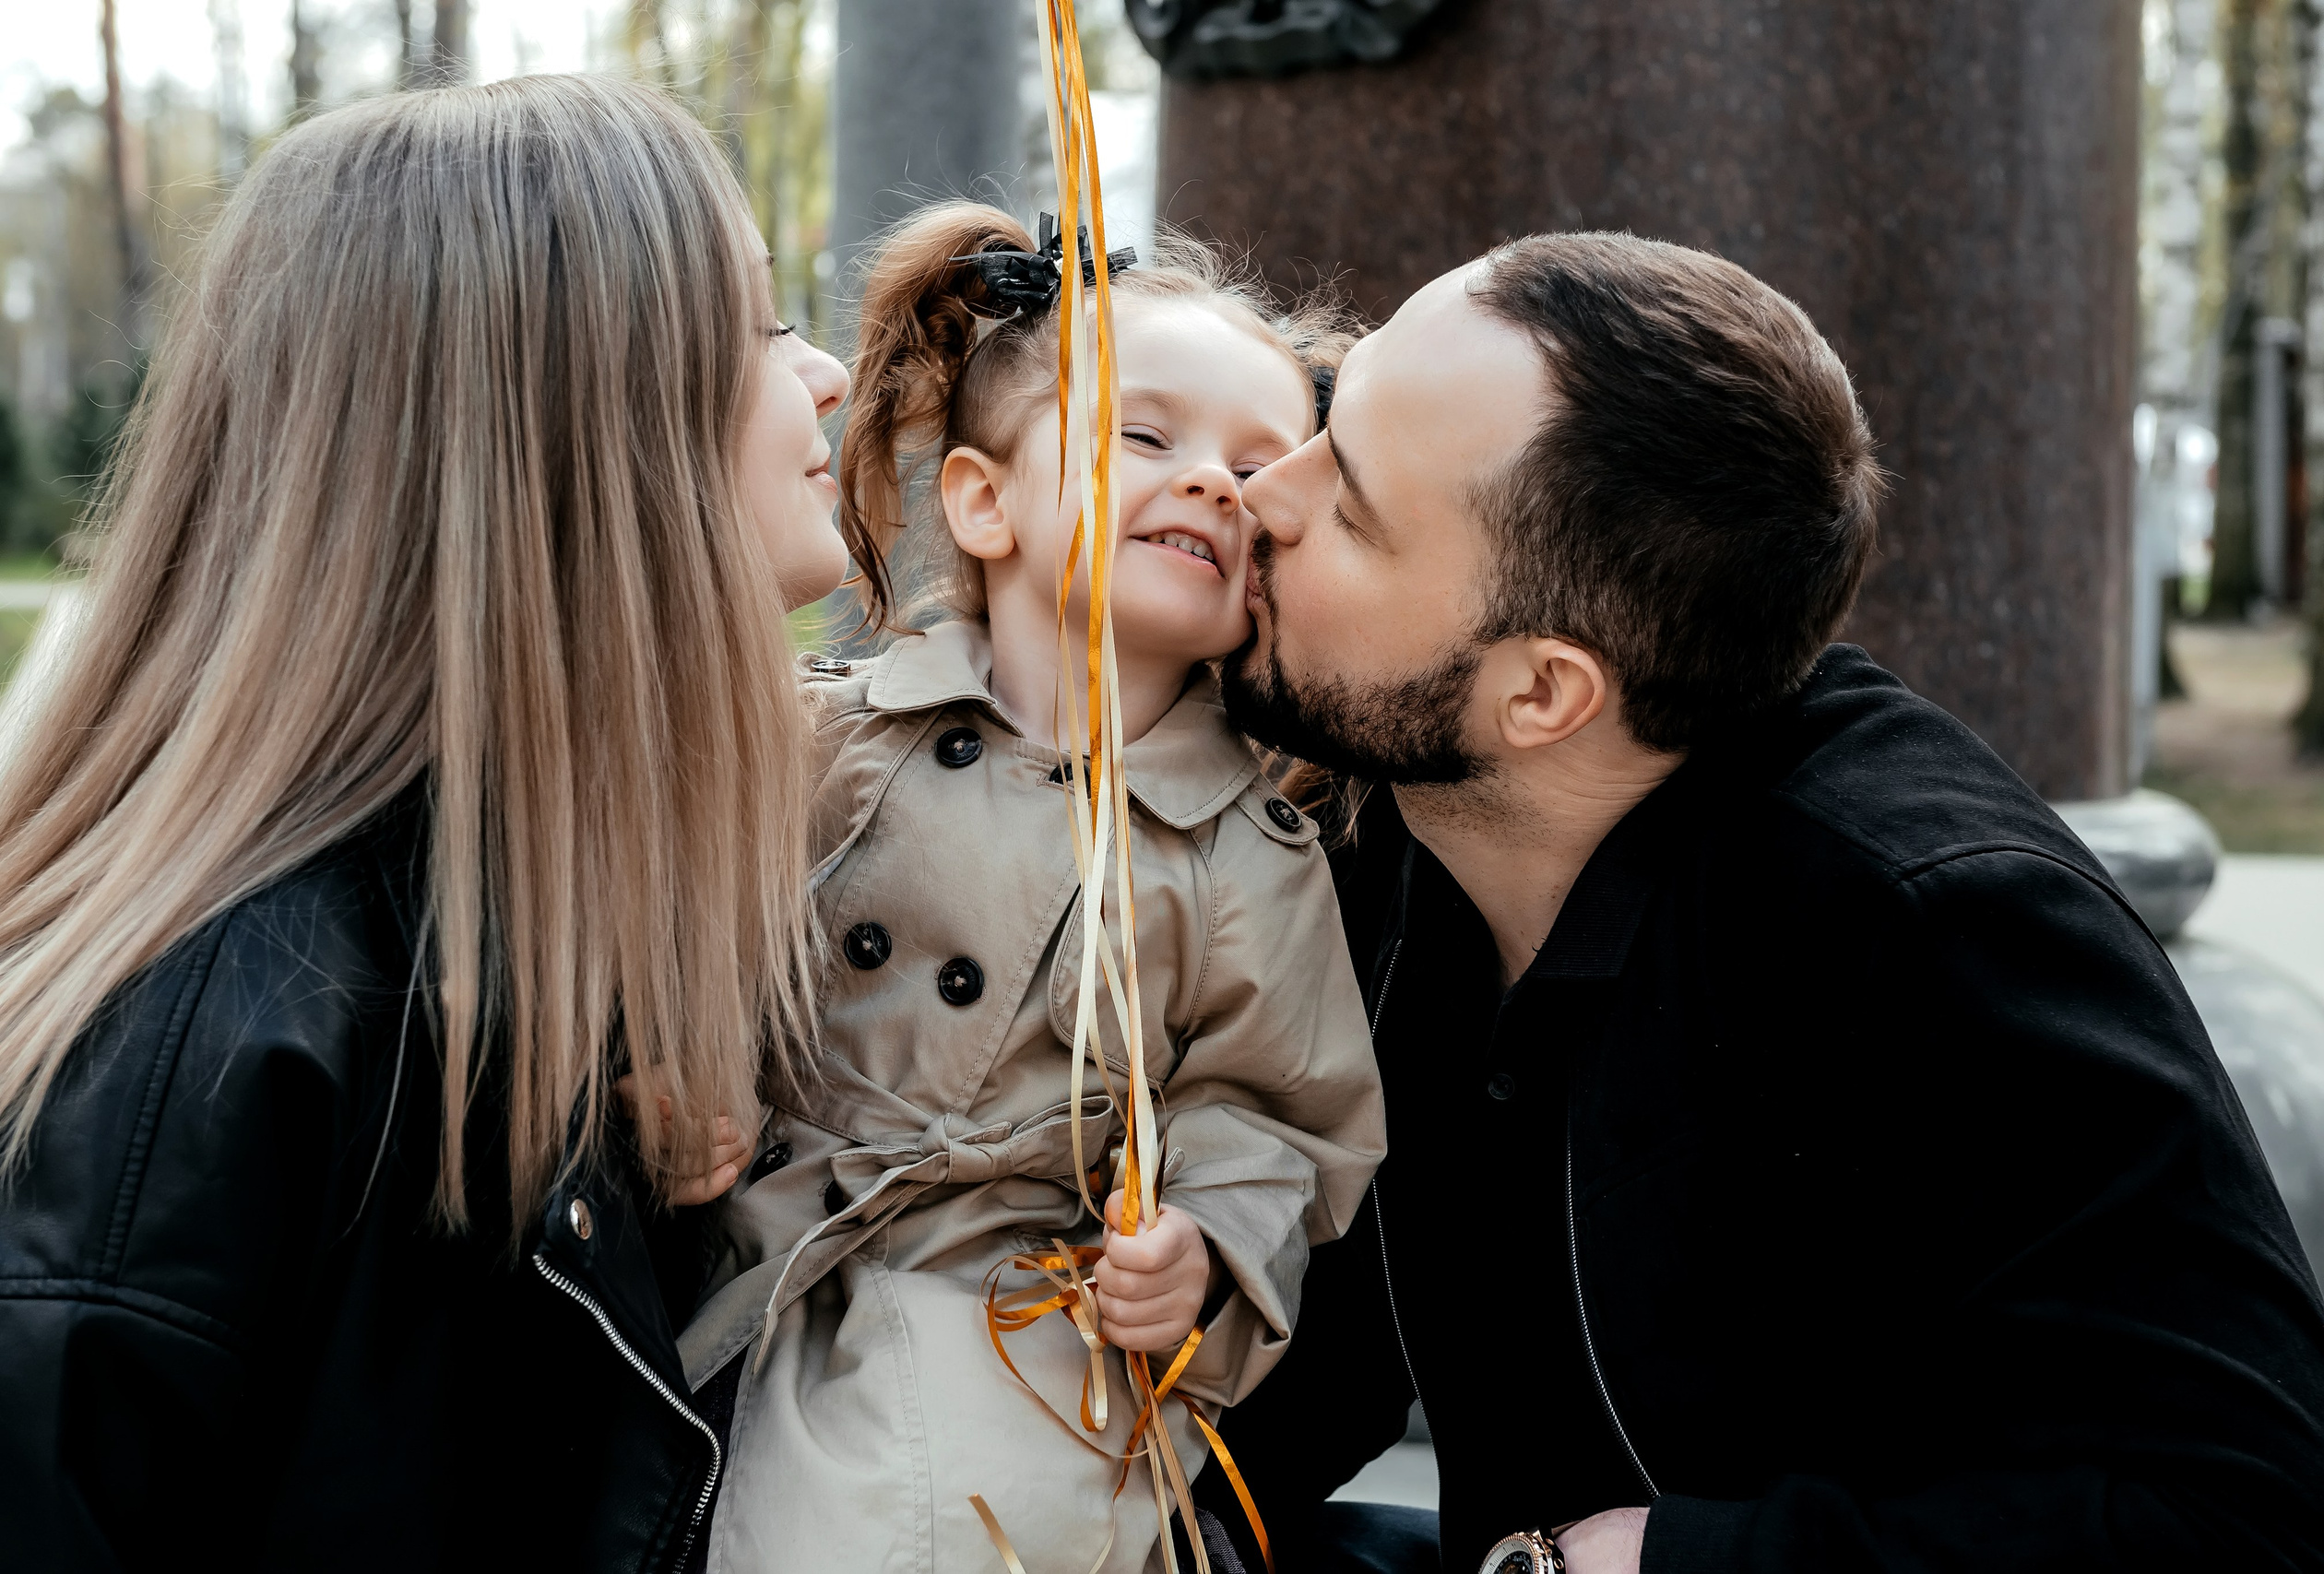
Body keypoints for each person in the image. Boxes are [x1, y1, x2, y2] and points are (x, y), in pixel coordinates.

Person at [1197, 231, 2324, 1572]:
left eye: (1354, 508)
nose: (1264, 488)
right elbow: (1314, 1352)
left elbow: (2246, 1519)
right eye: (1335, 411)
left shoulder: (1937, 928)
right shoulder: (1395, 806)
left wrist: (1662, 1565)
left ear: (1544, 694)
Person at [0, 76, 853, 1572]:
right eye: (761, 325)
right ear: (581, 427)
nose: (824, 374)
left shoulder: (552, 953)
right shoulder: (204, 1063)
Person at [674, 204, 1386, 1574]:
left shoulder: (1241, 850)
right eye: (1148, 438)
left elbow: (1277, 1115)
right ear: (984, 502)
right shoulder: (823, 744)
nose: (1217, 485)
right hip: (754, 1271)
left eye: (1259, 464)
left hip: (1027, 1330)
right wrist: (671, 1083)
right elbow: (685, 936)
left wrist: (1206, 1248)